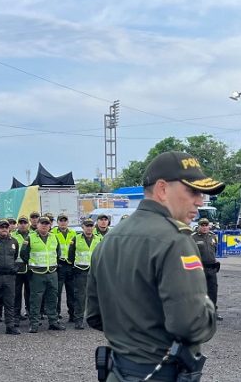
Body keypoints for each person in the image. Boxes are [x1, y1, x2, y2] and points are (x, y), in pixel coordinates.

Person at [86, 151, 220, 381]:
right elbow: (189, 324)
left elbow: (95, 316)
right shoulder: (176, 241)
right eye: (192, 191)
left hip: (117, 372)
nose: (199, 200)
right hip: (160, 372)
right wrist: (207, 310)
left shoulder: (110, 239)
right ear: (162, 189)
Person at [21, 216, 63, 333]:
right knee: (36, 299)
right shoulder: (30, 238)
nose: (44, 226)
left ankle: (53, 322)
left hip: (52, 273)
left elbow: (57, 253)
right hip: (37, 273)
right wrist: (32, 265)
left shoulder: (54, 237)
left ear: (50, 226)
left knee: (52, 298)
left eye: (47, 224)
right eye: (42, 223)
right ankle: (34, 324)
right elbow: (23, 254)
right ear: (37, 225)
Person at [69, 218, 101, 330]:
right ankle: (78, 320)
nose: (89, 228)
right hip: (81, 271)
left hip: (95, 272)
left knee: (97, 297)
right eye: (87, 226)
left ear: (94, 227)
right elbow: (70, 255)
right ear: (83, 227)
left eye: (91, 226)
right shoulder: (76, 239)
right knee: (80, 297)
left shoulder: (99, 239)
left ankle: (97, 320)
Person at [192, 218, 222, 321]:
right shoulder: (193, 237)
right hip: (199, 268)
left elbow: (215, 250)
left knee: (213, 291)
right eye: (202, 225)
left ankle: (213, 312)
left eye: (206, 225)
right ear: (199, 226)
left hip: (212, 268)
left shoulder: (212, 236)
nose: (205, 227)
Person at [53, 214, 79, 323]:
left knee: (71, 292)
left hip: (70, 266)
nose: (63, 223)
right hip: (59, 266)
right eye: (61, 220)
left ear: (68, 222)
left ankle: (72, 315)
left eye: (65, 220)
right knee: (56, 292)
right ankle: (56, 314)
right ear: (57, 222)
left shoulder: (74, 233)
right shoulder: (53, 233)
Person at [13, 215, 33, 320]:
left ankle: (30, 313)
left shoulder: (34, 235)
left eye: (25, 222)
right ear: (17, 224)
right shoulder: (12, 235)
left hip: (30, 268)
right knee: (16, 293)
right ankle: (16, 315)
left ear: (28, 224)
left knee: (30, 292)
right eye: (20, 223)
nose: (23, 225)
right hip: (17, 268)